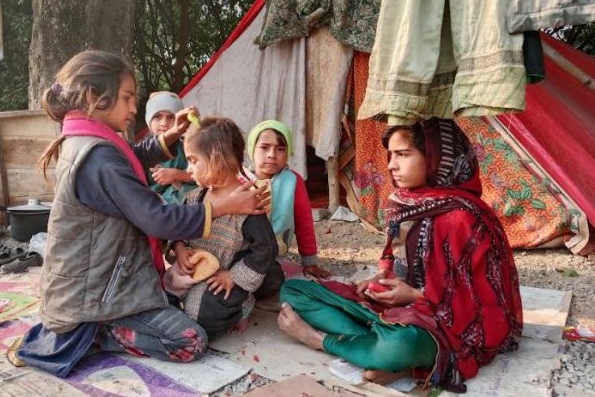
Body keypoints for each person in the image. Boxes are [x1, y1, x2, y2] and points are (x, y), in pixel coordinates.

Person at [12, 51, 268, 377]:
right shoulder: (97, 158)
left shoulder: (88, 142)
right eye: (127, 97)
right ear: (94, 98)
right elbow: (157, 218)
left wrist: (169, 137)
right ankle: (95, 333)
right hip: (99, 295)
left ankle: (95, 324)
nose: (134, 108)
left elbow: (128, 158)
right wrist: (222, 207)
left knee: (182, 301)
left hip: (97, 281)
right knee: (190, 340)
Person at [277, 118, 522, 392]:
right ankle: (379, 350)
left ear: (435, 159)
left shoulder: (465, 218)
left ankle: (320, 340)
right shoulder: (405, 203)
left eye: (403, 154)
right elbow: (396, 259)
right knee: (292, 291)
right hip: (399, 310)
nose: (392, 165)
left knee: (401, 345)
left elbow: (482, 302)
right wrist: (380, 277)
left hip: (444, 323)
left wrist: (416, 296)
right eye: (391, 155)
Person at [169, 117, 280, 334]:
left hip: (225, 277)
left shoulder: (247, 205)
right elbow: (176, 229)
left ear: (217, 160)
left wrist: (234, 277)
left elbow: (266, 249)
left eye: (193, 160)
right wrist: (180, 248)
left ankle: (243, 305)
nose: (188, 169)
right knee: (161, 298)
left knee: (200, 316)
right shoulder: (193, 198)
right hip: (193, 271)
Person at [246, 120, 331, 299]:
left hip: (271, 258)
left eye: (280, 149)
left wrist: (309, 262)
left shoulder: (293, 182)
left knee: (272, 281)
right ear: (251, 149)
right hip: (241, 254)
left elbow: (304, 223)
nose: (272, 155)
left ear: (288, 152)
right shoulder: (241, 180)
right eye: (264, 147)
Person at [145, 91, 196, 204]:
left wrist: (175, 174)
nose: (164, 123)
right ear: (148, 120)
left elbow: (202, 175)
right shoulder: (143, 151)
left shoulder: (187, 146)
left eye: (171, 117)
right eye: (157, 117)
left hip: (184, 202)